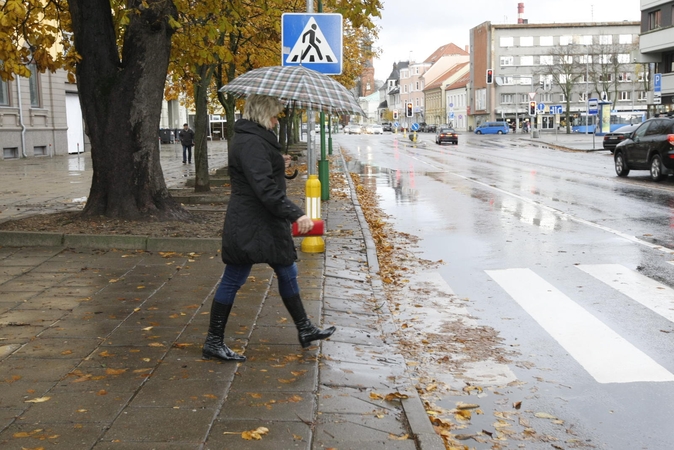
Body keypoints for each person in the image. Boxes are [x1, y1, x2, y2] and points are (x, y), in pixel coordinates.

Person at [202, 94, 336, 362]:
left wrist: (280, 163)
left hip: (261, 220)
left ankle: (305, 328)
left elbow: (261, 173)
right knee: (234, 278)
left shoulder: (254, 139)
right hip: (252, 221)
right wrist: (297, 215)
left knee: (287, 268)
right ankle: (213, 341)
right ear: (263, 115)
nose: (276, 122)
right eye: (274, 116)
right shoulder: (251, 141)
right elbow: (264, 188)